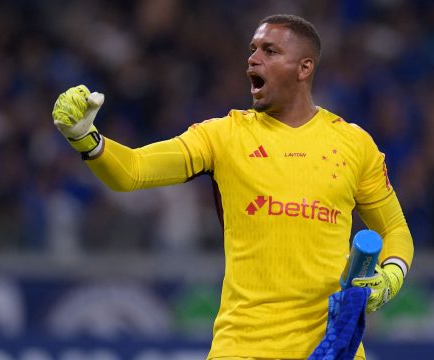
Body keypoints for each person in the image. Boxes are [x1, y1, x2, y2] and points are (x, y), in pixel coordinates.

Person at [52, 14, 414, 360]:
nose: (253, 60)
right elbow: (132, 171)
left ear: (305, 68)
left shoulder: (354, 144)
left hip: (333, 347)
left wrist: (392, 275)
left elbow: (394, 228)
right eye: (253, 50)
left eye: (270, 51)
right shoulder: (223, 136)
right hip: (242, 346)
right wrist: (85, 137)